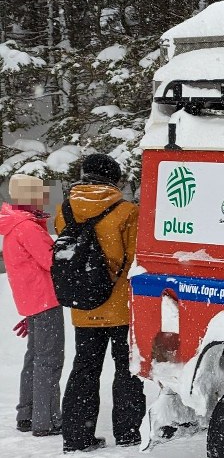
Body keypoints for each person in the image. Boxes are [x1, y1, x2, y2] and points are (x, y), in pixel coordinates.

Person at [55, 154, 144, 453]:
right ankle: (129, 432)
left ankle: (77, 438)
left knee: (84, 369)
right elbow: (133, 259)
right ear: (114, 179)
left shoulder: (64, 209)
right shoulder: (127, 212)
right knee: (126, 369)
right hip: (120, 306)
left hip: (84, 304)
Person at [0, 174, 64, 438]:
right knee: (49, 360)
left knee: (35, 359)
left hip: (32, 300)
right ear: (29, 196)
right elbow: (53, 262)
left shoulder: (15, 224)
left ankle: (27, 414)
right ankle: (46, 420)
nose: (44, 198)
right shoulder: (27, 227)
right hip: (45, 299)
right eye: (39, 194)